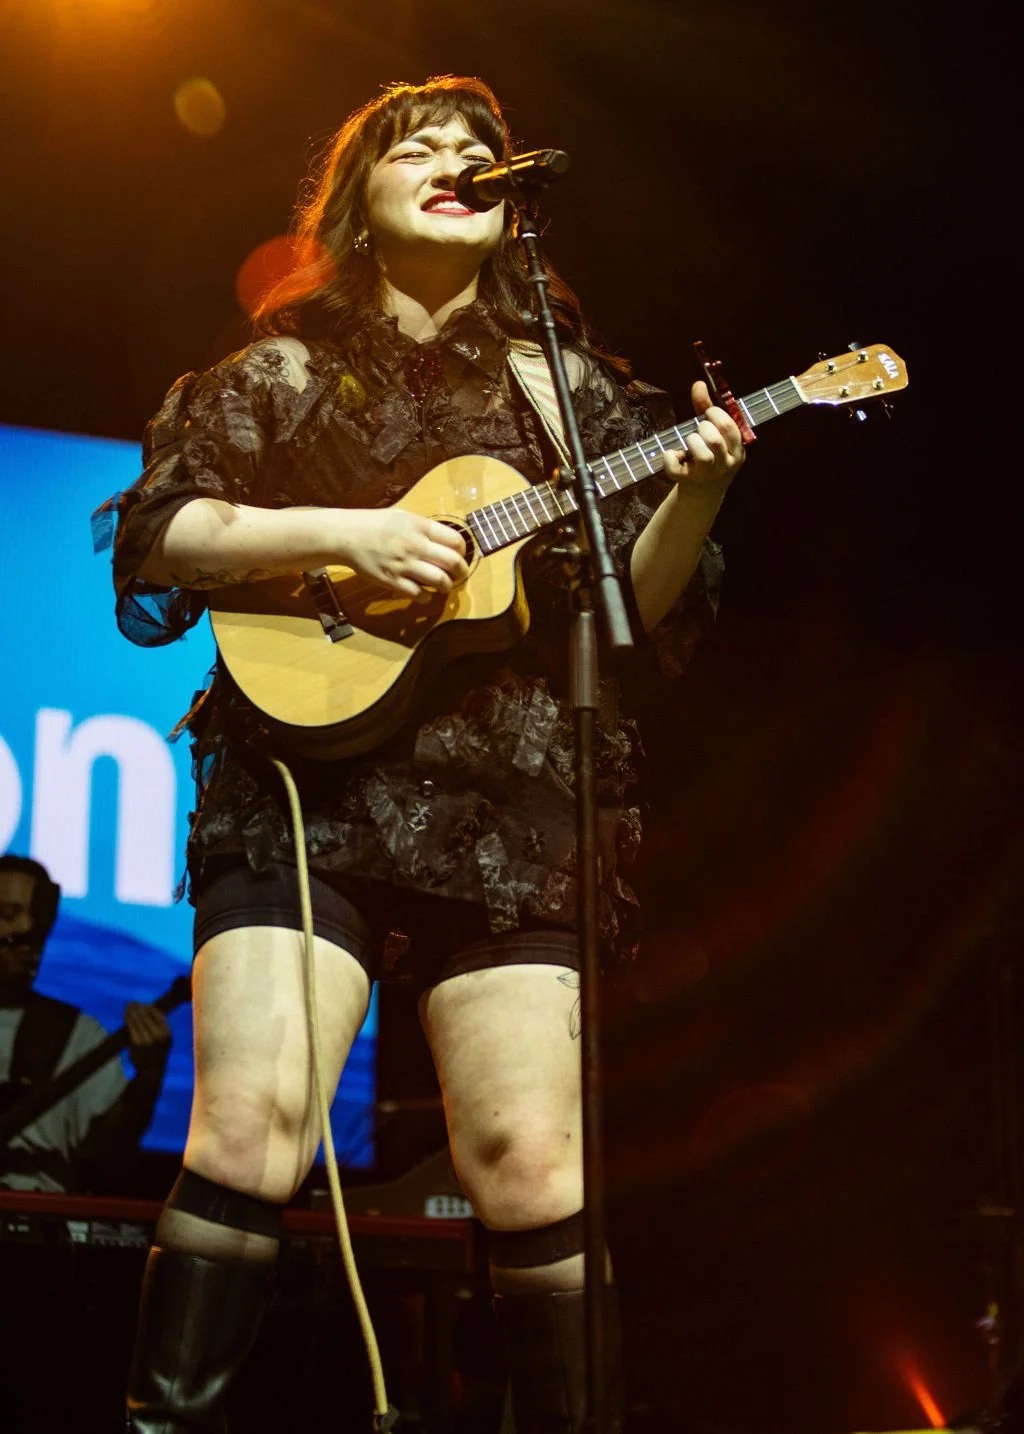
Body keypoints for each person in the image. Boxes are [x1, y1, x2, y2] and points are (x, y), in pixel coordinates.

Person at [98, 75, 743, 1432]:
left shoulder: (568, 392)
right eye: (419, 146)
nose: (456, 159)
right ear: (358, 198)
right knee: (252, 1127)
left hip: (508, 794)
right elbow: (164, 536)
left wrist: (701, 486)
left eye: (477, 149)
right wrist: (352, 535)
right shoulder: (281, 370)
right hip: (304, 782)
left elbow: (641, 607)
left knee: (531, 1163)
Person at [0, 853, 172, 1194]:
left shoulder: (80, 1034)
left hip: (41, 1221)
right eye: (8, 915)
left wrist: (147, 1080)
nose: (27, 929)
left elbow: (109, 1161)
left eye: (39, 918)